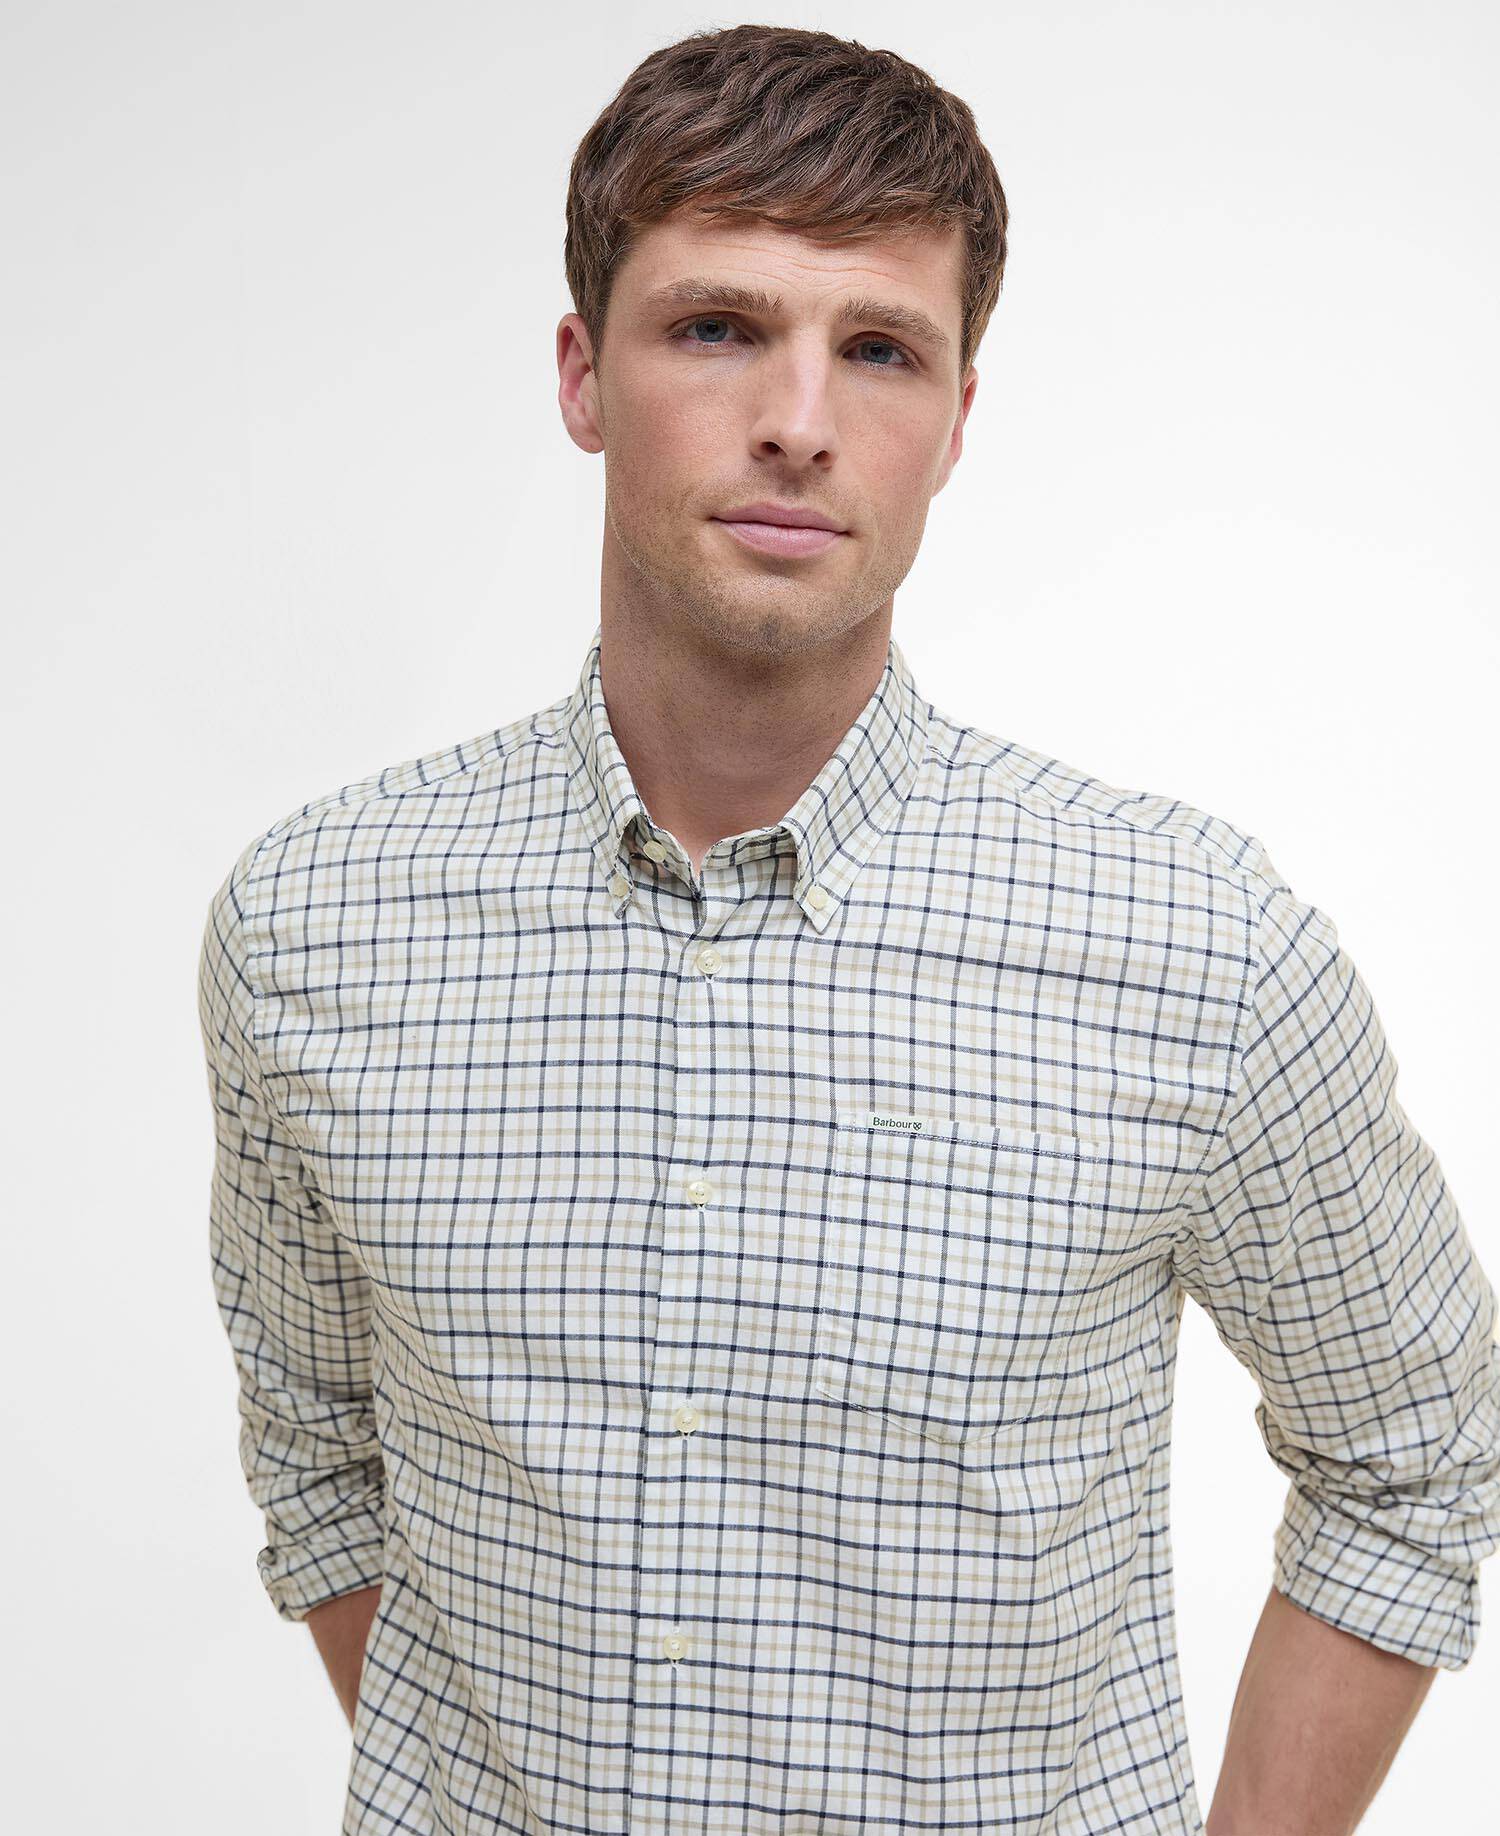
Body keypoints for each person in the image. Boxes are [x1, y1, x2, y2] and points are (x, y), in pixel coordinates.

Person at [198, 22, 1500, 1835]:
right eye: (716, 327)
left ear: (957, 421)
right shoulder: (310, 926)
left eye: (880, 349)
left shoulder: (1202, 951)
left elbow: (1416, 1459)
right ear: (583, 375)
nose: (799, 421)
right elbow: (324, 1461)